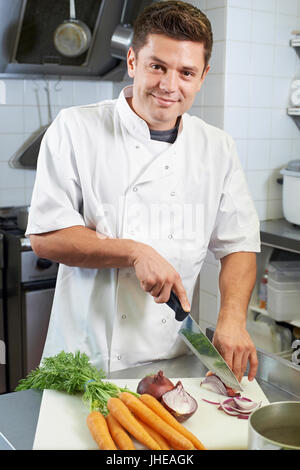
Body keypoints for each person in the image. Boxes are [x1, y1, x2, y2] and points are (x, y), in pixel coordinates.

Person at [26, 0, 260, 381]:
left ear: (203, 76)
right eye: (157, 66)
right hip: (85, 361)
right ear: (133, 62)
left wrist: (232, 319)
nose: (170, 86)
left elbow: (239, 244)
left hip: (169, 363)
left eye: (186, 72)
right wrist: (134, 252)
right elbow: (46, 238)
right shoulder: (75, 129)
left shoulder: (217, 147)